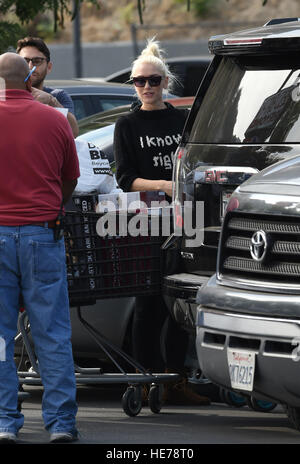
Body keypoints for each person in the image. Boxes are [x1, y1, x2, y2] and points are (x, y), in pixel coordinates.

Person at [114, 38, 210, 405]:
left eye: (154, 80)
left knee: (179, 304)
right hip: (146, 223)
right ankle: (143, 378)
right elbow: (125, 178)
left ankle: (175, 379)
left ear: (165, 82)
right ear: (134, 85)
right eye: (140, 81)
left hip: (186, 221)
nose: (147, 87)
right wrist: (165, 184)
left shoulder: (182, 121)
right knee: (147, 304)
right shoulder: (127, 124)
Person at [0, 52, 80, 443]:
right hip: (43, 233)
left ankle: (4, 422)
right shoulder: (55, 119)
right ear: (29, 77)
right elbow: (71, 179)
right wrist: (53, 207)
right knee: (51, 333)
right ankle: (61, 423)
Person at [16, 36, 79, 137]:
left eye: (37, 61)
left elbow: (73, 132)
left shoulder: (58, 96)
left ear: (49, 67)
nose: (30, 66)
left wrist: (51, 101)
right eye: (25, 61)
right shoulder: (8, 96)